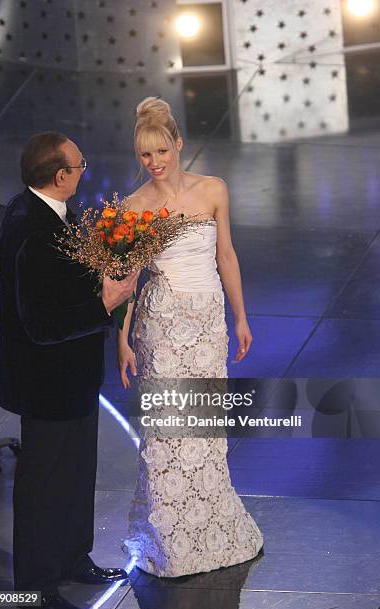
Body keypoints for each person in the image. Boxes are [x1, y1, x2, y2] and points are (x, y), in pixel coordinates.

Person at [118, 98, 264, 577]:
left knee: (203, 427)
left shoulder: (213, 190)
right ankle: (170, 538)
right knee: (166, 431)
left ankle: (211, 525)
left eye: (161, 151)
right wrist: (122, 339)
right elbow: (128, 279)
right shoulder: (133, 207)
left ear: (178, 144)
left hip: (207, 325)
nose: (154, 162)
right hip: (160, 329)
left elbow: (227, 255)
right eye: (145, 155)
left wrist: (240, 317)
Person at [0, 132, 138, 609]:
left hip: (73, 380)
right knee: (43, 487)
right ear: (61, 176)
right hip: (47, 386)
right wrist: (105, 303)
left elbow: (63, 289)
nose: (84, 171)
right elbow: (42, 325)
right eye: (80, 165)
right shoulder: (35, 232)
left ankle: (73, 557)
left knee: (77, 476)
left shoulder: (51, 212)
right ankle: (35, 585)